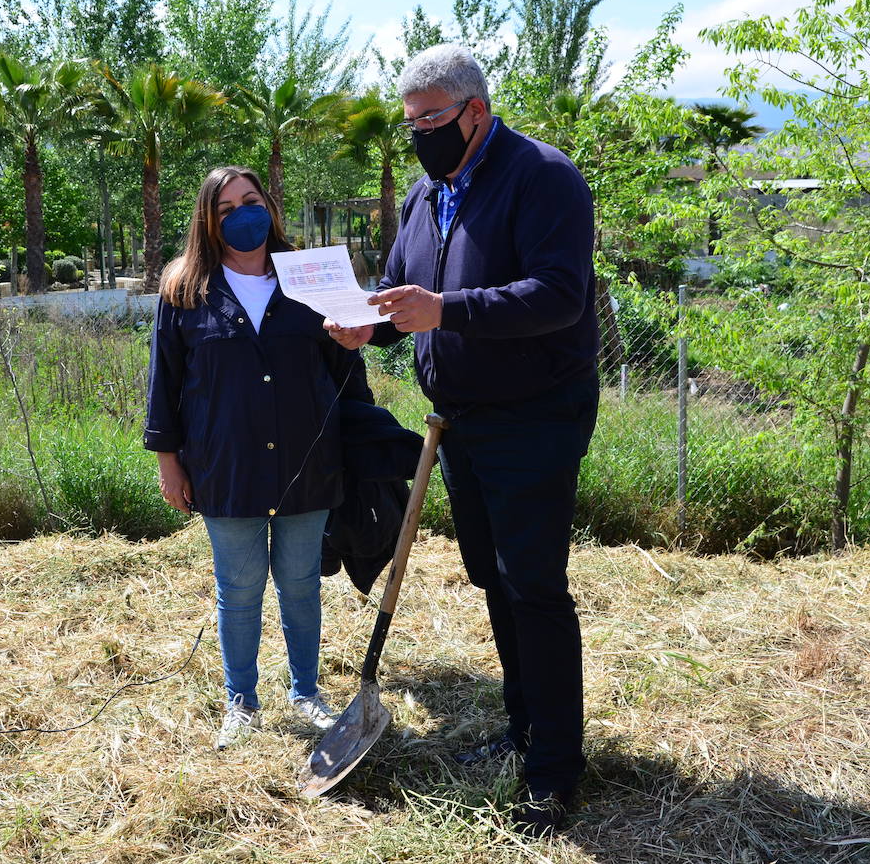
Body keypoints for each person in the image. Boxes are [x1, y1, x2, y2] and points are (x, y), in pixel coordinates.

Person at [326, 45, 600, 835]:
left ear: (476, 112)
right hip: (461, 422)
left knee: (534, 585)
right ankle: (523, 729)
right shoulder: (426, 196)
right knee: (491, 577)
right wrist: (368, 328)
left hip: (535, 415)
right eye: (408, 122)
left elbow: (557, 295)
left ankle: (554, 770)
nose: (418, 135)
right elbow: (403, 295)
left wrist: (446, 310)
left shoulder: (543, 177)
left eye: (431, 119)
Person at [145, 166, 372, 750]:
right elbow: (165, 384)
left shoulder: (310, 279)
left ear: (269, 206)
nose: (242, 214)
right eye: (226, 209)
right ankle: (241, 703)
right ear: (209, 222)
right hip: (226, 465)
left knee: (300, 584)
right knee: (239, 588)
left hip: (307, 459)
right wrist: (169, 461)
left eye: (251, 200)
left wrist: (355, 347)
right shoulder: (184, 289)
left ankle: (306, 693)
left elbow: (347, 371)